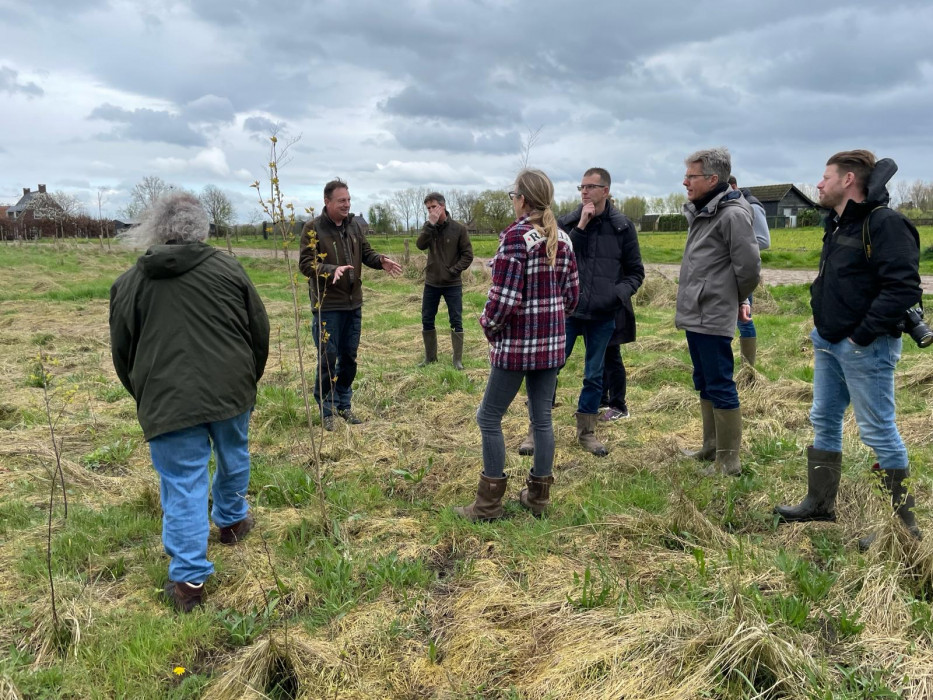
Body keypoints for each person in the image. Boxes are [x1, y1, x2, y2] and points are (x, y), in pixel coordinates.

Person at [109, 192, 270, 612]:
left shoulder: (128, 284)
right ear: (201, 228)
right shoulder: (228, 268)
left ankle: (188, 581)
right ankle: (232, 521)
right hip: (231, 388)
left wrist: (145, 393)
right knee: (234, 453)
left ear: (156, 230)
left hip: (167, 399)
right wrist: (248, 379)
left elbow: (121, 351)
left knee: (182, 484)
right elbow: (259, 329)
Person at [774, 151, 923, 548]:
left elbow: (904, 288)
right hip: (828, 343)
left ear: (848, 179)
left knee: (878, 430)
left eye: (825, 178)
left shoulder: (885, 224)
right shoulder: (838, 223)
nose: (818, 185)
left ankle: (902, 530)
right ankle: (819, 503)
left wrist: (861, 336)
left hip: (866, 347)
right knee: (823, 417)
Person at [454, 169, 578, 521]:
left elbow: (503, 300)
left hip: (517, 346)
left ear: (522, 199)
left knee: (488, 417)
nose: (512, 200)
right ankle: (538, 498)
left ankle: (488, 503)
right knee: (542, 420)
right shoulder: (563, 239)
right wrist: (551, 325)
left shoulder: (515, 238)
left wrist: (488, 327)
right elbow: (572, 296)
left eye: (513, 195)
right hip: (551, 346)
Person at [519, 168, 642, 456]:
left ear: (606, 191)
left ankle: (587, 432)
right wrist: (582, 226)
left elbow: (636, 272)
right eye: (581, 187)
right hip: (567, 313)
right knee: (549, 369)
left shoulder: (623, 227)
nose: (584, 192)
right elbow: (557, 256)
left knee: (595, 374)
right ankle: (536, 431)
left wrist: (616, 295)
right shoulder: (566, 223)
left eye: (590, 187)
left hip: (603, 315)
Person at [677, 147, 760, 476]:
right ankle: (711, 446)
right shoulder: (704, 211)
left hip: (712, 311)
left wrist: (735, 298)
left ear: (713, 179)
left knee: (720, 381)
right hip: (697, 311)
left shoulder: (732, 214)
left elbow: (750, 268)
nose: (685, 182)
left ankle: (729, 462)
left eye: (691, 176)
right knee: (704, 380)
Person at [298, 179, 402, 431]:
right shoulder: (313, 229)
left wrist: (380, 260)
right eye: (341, 201)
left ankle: (344, 404)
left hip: (353, 304)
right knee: (327, 357)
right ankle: (326, 410)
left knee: (349, 357)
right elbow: (305, 264)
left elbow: (366, 252)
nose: (347, 205)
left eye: (348, 200)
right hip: (328, 305)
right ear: (327, 201)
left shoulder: (354, 225)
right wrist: (330, 269)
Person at [415, 192, 474, 369]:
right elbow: (420, 245)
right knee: (427, 318)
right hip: (432, 282)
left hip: (452, 284)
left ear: (443, 206)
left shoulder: (458, 229)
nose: (431, 210)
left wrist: (453, 271)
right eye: (428, 208)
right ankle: (430, 358)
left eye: (434, 206)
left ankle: (457, 360)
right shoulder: (429, 228)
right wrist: (430, 225)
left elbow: (468, 255)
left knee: (456, 320)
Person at [728, 175, 771, 366]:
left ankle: (749, 369)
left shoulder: (752, 206)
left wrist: (737, 246)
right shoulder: (730, 208)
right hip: (727, 272)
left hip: (743, 271)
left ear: (734, 186)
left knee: (744, 320)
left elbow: (764, 240)